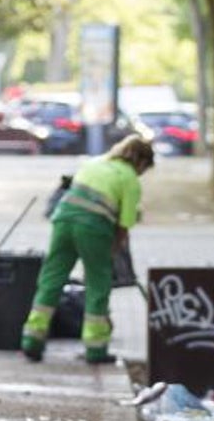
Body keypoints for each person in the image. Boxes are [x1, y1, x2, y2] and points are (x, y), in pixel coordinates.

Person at [21, 135, 155, 365]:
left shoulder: (94, 163)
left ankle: (32, 340)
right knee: (98, 284)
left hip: (63, 221)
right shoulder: (129, 178)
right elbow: (124, 225)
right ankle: (95, 349)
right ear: (141, 161)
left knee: (51, 279)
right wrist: (112, 250)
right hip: (93, 228)